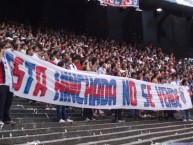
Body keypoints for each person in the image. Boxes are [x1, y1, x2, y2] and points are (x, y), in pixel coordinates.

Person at [0, 41, 16, 125]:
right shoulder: (1, 56)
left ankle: (6, 118)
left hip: (9, 83)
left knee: (8, 102)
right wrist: (1, 52)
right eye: (5, 47)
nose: (7, 49)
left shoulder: (7, 57)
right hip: (1, 83)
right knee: (1, 102)